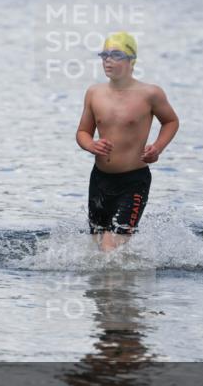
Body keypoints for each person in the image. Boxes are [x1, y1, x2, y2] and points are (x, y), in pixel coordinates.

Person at [76, 31, 179, 252]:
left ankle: (117, 284)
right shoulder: (94, 93)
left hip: (133, 182)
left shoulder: (149, 94)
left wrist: (157, 148)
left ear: (132, 60)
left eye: (116, 55)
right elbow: (83, 132)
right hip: (100, 180)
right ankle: (114, 285)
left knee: (109, 246)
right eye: (104, 55)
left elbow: (171, 121)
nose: (108, 60)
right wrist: (91, 145)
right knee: (96, 246)